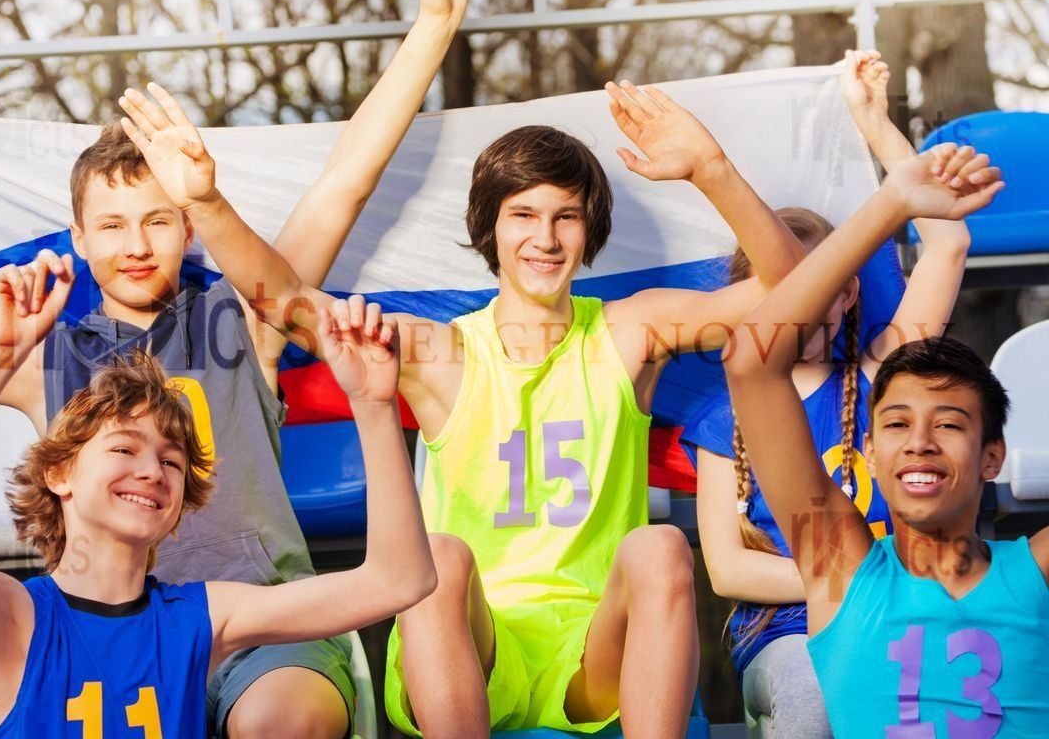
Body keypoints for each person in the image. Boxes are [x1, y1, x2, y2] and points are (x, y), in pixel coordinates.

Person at [0, 0, 471, 734]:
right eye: (111, 225)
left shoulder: (245, 312)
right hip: (111, 636)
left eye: (158, 220)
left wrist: (433, 24)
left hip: (261, 630)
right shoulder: (48, 360)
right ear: (76, 236)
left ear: (188, 226)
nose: (137, 243)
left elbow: (345, 180)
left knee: (275, 723)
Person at [359, 83, 813, 738]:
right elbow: (281, 298)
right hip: (478, 645)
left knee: (660, 545)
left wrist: (710, 169)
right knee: (440, 555)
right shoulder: (442, 350)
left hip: (595, 646)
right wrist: (205, 200)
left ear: (589, 229)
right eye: (523, 214)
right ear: (490, 223)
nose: (544, 237)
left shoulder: (630, 332)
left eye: (565, 216)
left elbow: (795, 289)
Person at [0, 253, 435, 738]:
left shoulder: (200, 617)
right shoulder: (13, 620)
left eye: (172, 461)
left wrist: (372, 403)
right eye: (125, 450)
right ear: (59, 473)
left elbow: (400, 579)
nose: (152, 470)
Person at [685, 51, 981, 737]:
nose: (808, 306)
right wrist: (856, 587)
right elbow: (728, 569)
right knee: (822, 698)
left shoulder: (885, 378)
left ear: (848, 292)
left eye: (823, 283)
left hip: (913, 615)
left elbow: (948, 244)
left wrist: (874, 123)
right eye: (785, 288)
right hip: (786, 634)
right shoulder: (718, 414)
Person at [723, 142, 1049, 737]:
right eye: (896, 424)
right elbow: (753, 362)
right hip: (790, 634)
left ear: (992, 457)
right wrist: (891, 201)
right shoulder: (842, 576)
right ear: (868, 450)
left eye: (949, 423)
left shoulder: (1034, 572)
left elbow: (948, 245)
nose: (921, 440)